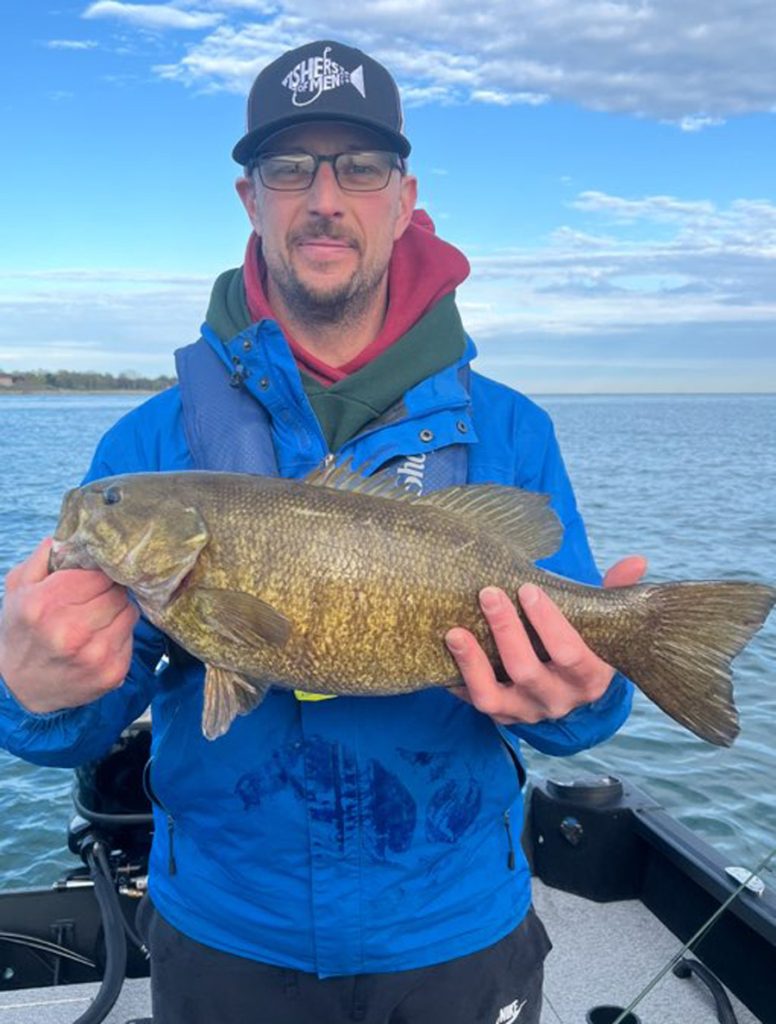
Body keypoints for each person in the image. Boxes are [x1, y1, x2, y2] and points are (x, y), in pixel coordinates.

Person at [0, 40, 643, 1024]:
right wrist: (30, 691)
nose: (324, 196)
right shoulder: (149, 440)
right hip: (223, 930)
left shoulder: (512, 430)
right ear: (249, 197)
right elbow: (82, 722)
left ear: (402, 193)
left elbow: (569, 711)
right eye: (289, 166)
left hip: (452, 928)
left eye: (359, 165)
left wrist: (588, 690)